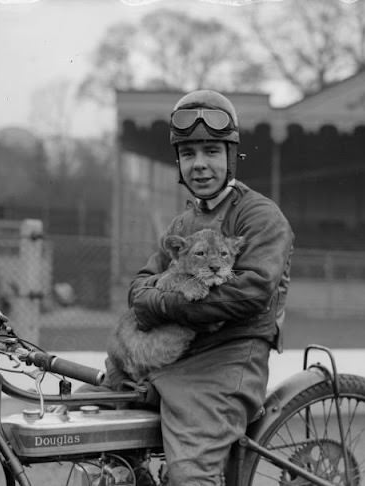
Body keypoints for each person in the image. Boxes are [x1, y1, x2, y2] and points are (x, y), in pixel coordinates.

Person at [117, 89, 295, 486]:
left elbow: (249, 294)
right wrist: (157, 299)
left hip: (232, 356)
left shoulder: (261, 216)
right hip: (181, 352)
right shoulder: (183, 224)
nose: (199, 164)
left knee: (188, 476)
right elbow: (139, 287)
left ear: (231, 156)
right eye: (188, 153)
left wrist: (160, 304)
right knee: (97, 420)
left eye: (212, 151)